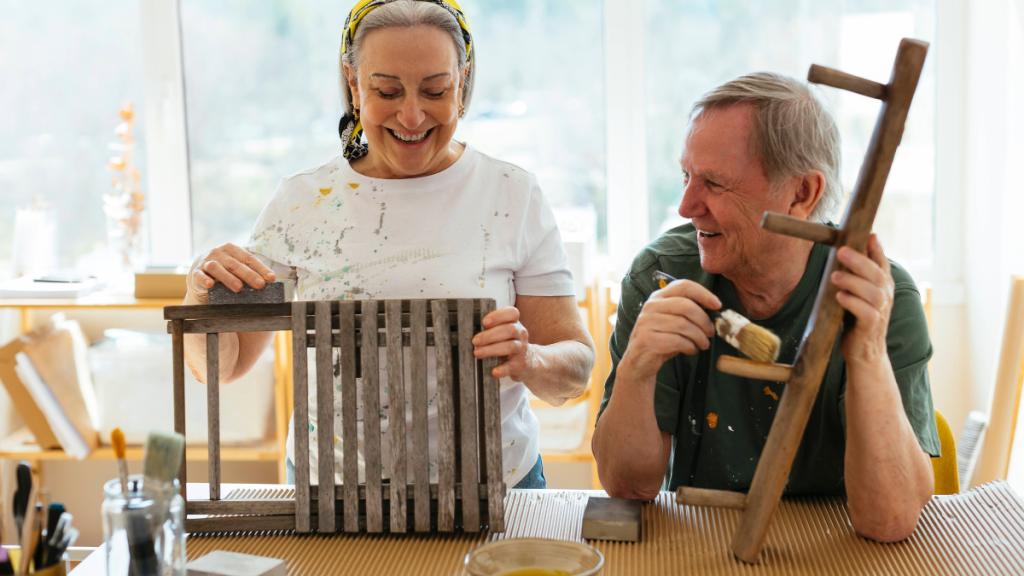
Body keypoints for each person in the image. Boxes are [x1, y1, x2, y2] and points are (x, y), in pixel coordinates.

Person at [182, 0, 595, 490]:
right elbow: (222, 368)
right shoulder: (299, 203)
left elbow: (577, 371)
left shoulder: (511, 193)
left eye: (435, 90)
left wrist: (531, 359)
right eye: (387, 90)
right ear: (354, 84)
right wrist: (198, 296)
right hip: (331, 498)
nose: (413, 114)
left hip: (495, 489)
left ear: (461, 82)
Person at [592, 72, 939, 542]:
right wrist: (636, 368)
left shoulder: (878, 298)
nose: (686, 205)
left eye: (714, 183)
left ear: (802, 194)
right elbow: (626, 485)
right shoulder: (662, 274)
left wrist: (867, 355)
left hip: (838, 552)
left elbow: (889, 520)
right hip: (701, 543)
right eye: (686, 176)